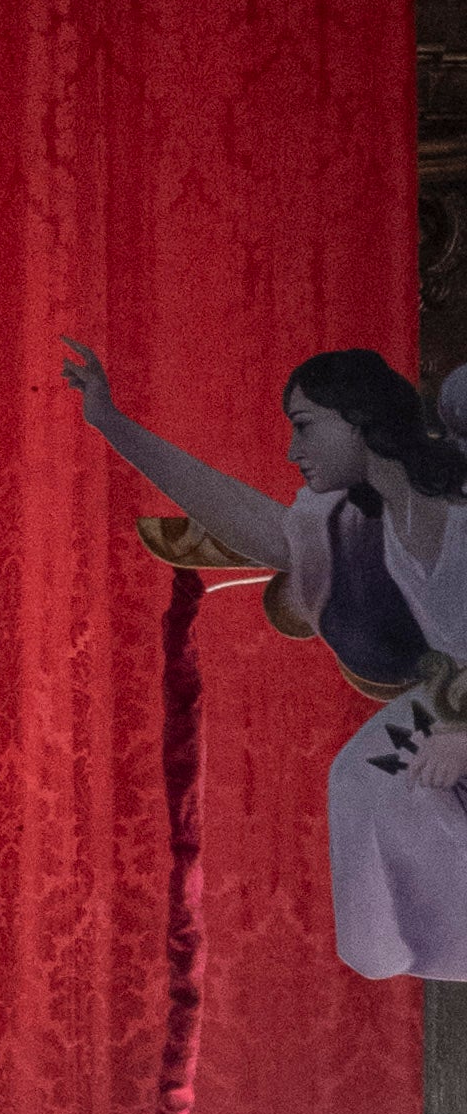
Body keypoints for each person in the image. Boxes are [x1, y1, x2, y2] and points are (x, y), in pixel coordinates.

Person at [60, 333, 467, 980]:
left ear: (360, 421)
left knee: (386, 777)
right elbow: (243, 514)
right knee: (365, 779)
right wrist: (113, 424)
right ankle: (396, 952)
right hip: (453, 704)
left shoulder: (458, 504)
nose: (292, 451)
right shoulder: (355, 521)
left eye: (306, 427)